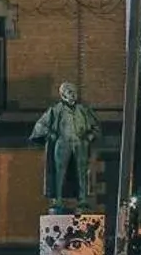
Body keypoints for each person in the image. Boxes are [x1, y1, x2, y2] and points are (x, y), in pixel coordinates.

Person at [30, 81, 101, 212]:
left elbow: (96, 128)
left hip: (80, 144)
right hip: (62, 144)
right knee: (59, 172)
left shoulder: (83, 110)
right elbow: (40, 125)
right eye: (70, 92)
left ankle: (82, 199)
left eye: (75, 92)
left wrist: (89, 137)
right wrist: (50, 134)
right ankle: (58, 199)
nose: (73, 95)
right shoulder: (56, 110)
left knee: (82, 172)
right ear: (63, 95)